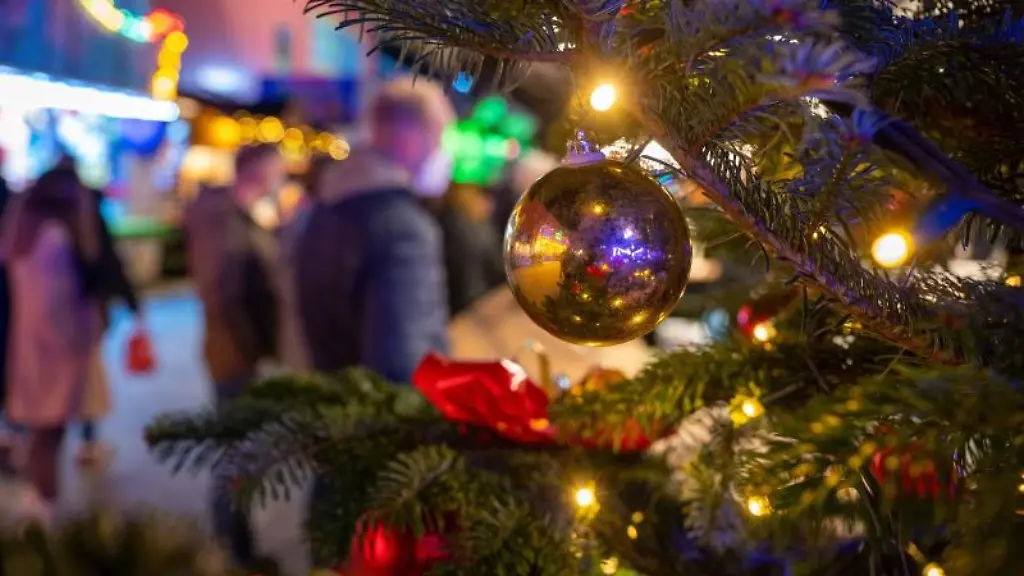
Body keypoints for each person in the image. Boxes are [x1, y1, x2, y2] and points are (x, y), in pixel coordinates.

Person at [294, 77, 453, 382]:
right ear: (410, 135)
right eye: (437, 135)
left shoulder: (326, 207)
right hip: (372, 408)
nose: (438, 149)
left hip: (329, 396)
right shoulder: (404, 229)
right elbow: (403, 366)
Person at [184, 144, 283, 569]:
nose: (281, 178)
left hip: (240, 349)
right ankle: (233, 551)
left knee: (239, 448)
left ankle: (237, 545)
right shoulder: (223, 218)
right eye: (277, 169)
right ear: (258, 171)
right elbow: (223, 291)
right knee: (235, 450)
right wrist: (256, 345)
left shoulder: (235, 215)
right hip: (234, 353)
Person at [0, 167, 103, 525]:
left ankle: (40, 500)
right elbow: (55, 306)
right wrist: (85, 333)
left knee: (41, 433)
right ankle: (45, 508)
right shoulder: (54, 239)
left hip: (30, 349)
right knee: (49, 434)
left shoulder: (22, 235)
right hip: (54, 353)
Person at [436, 183, 507, 316]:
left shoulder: (446, 220)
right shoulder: (479, 227)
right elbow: (496, 266)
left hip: (456, 304)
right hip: (477, 300)